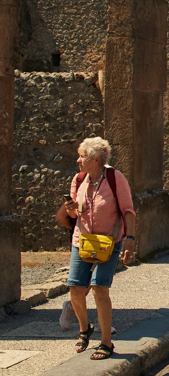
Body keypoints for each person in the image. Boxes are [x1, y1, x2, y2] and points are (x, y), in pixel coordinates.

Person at [56, 137, 137, 361]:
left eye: (82, 156)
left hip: (108, 242)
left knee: (100, 288)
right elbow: (74, 214)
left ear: (96, 159)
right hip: (81, 241)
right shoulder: (79, 179)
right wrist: (70, 209)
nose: (78, 160)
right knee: (75, 289)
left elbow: (128, 210)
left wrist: (130, 240)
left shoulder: (115, 178)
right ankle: (84, 329)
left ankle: (106, 343)